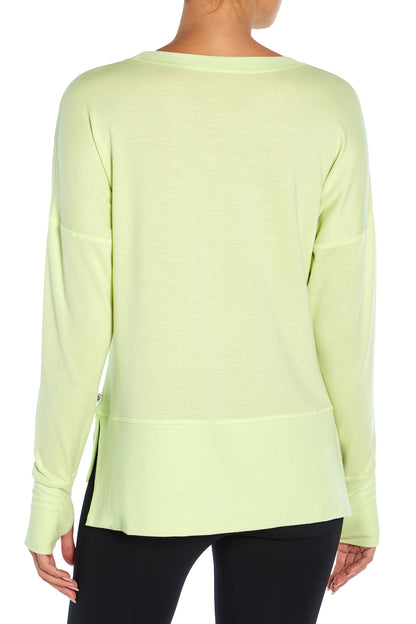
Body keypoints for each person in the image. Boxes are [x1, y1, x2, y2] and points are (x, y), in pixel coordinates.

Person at [24, 0, 380, 622]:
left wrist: (51, 486)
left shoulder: (98, 99)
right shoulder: (328, 102)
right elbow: (344, 323)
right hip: (297, 478)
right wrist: (359, 492)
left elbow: (77, 316)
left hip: (147, 480)